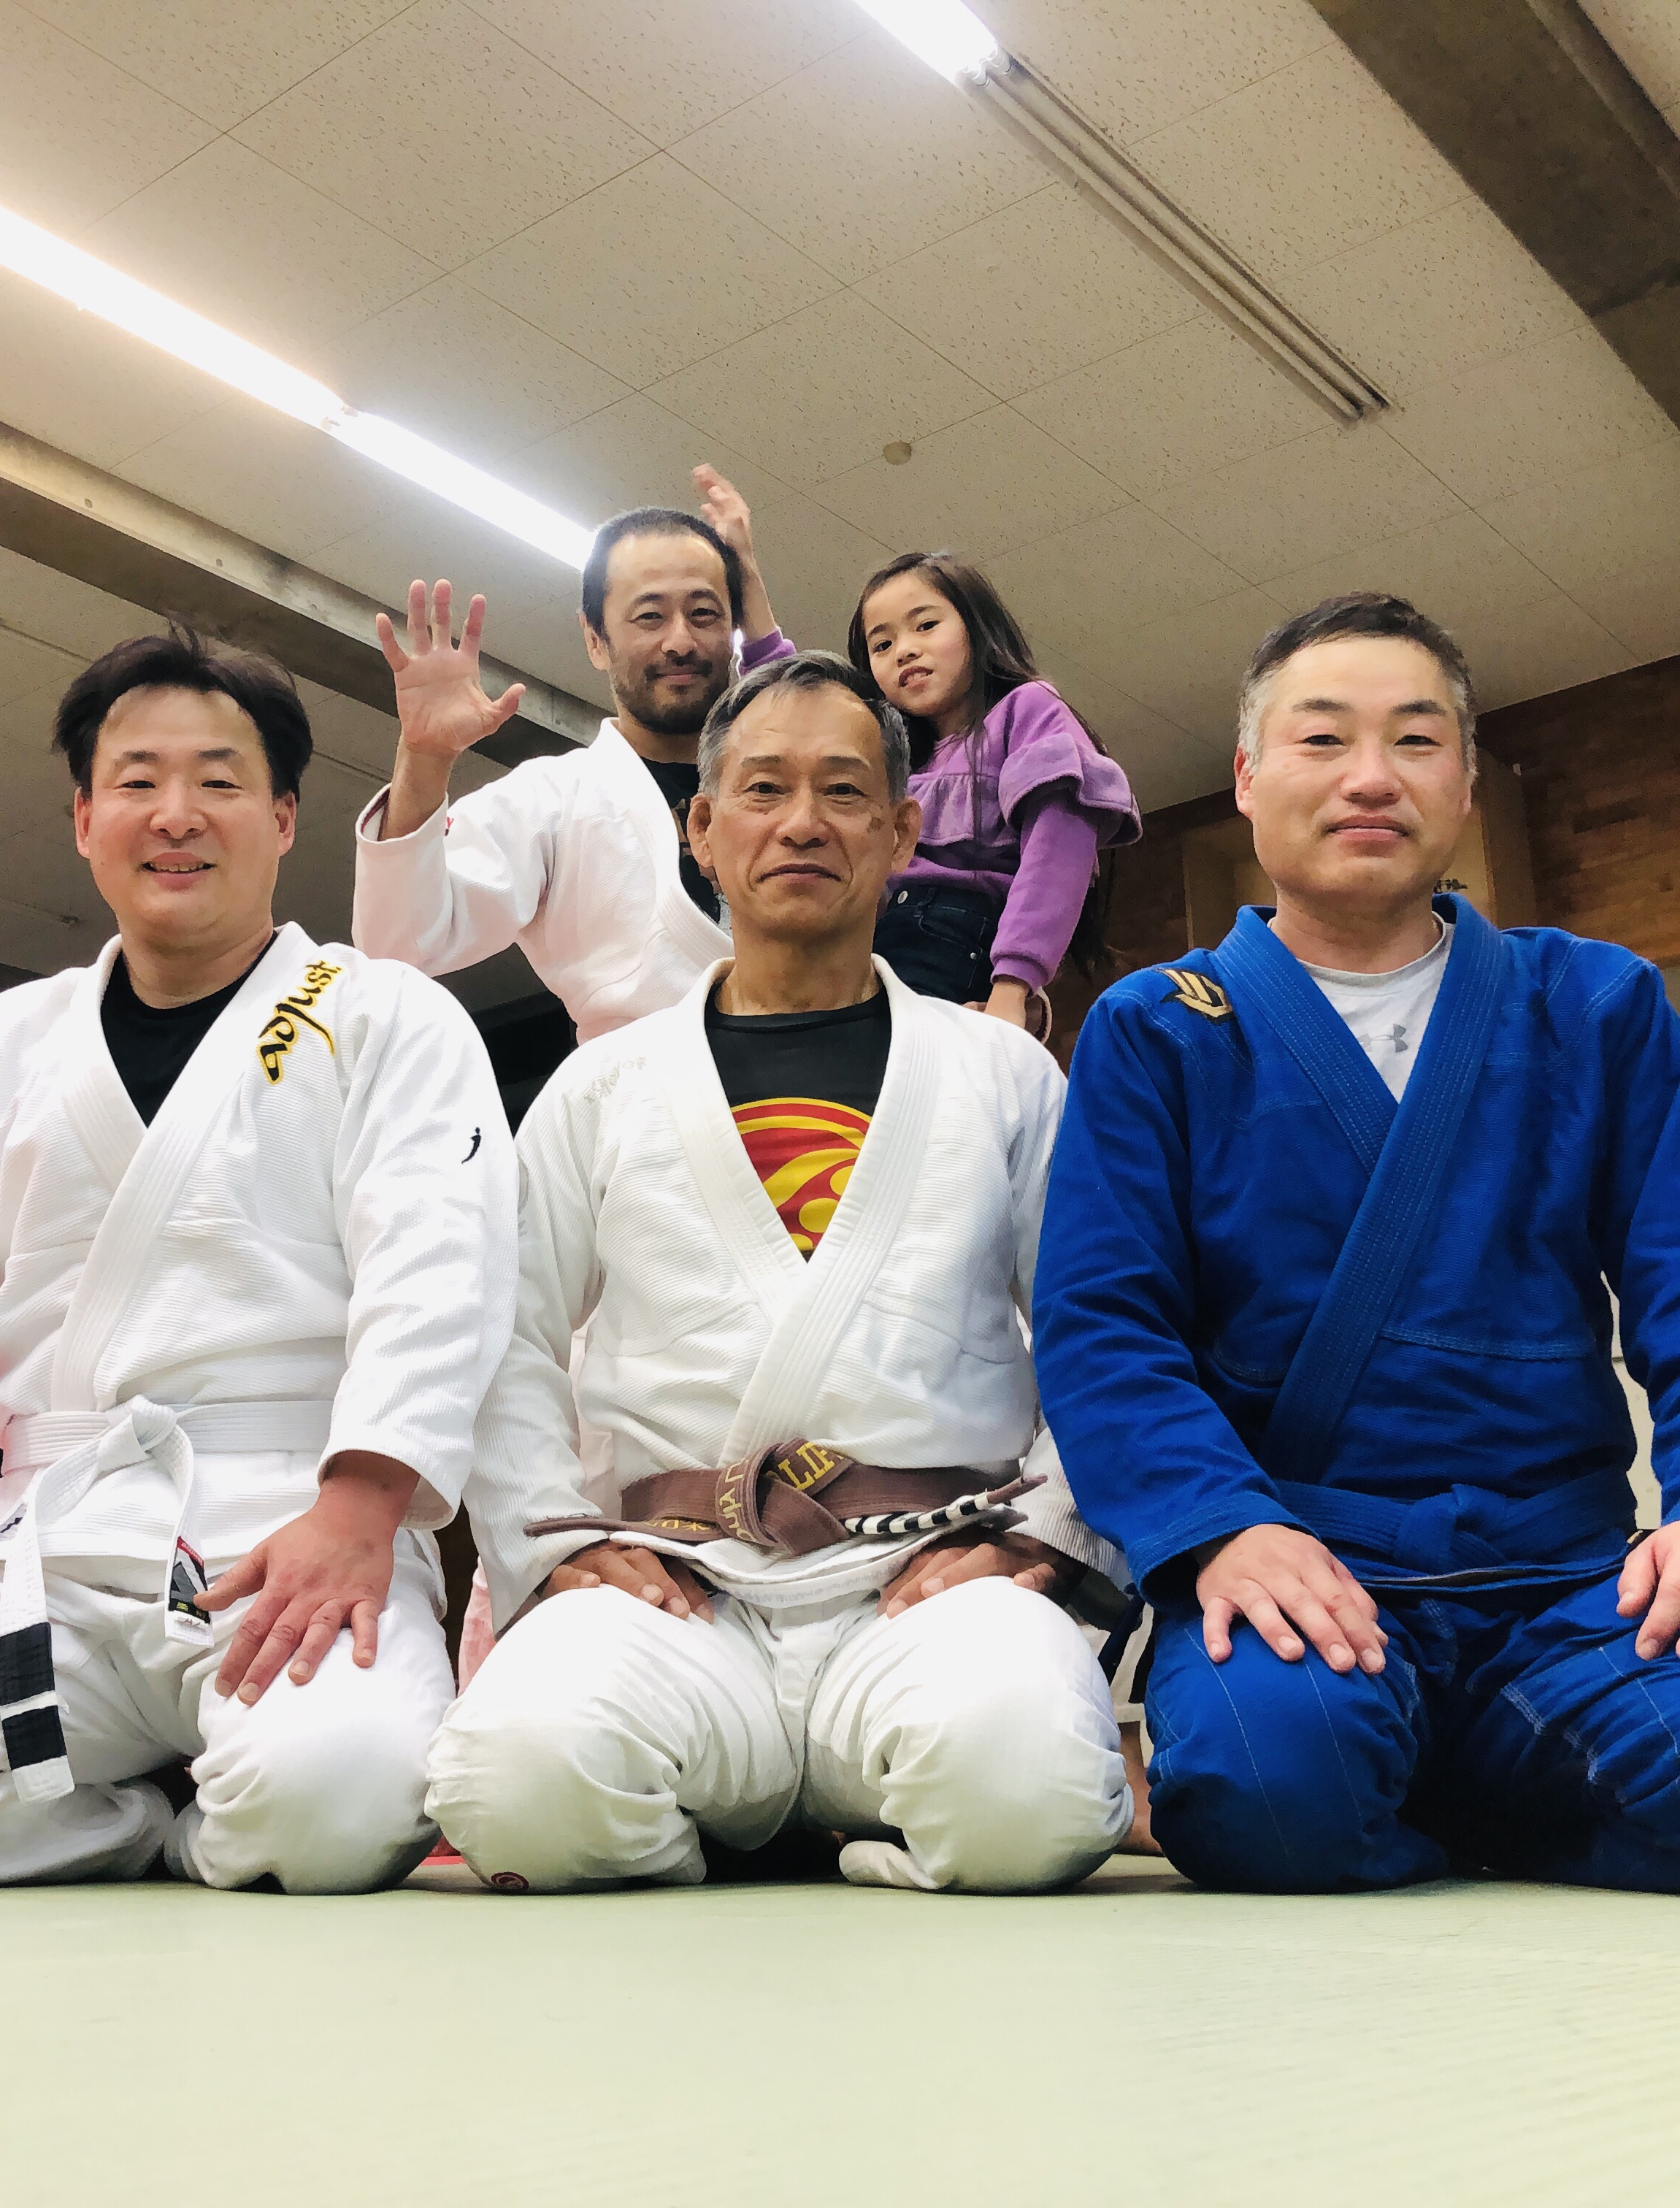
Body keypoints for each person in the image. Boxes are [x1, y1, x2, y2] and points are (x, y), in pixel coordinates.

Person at [1032, 591, 1680, 1899]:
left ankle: (1462, 1793)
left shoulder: (1594, 1002)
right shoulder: (1160, 1026)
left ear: (1462, 782)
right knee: (1267, 1785)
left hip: (1571, 1578)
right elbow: (1105, 1328)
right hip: (1307, 1569)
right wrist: (1221, 1528)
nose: (1369, 777)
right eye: (1322, 739)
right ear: (1247, 780)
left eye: (1414, 739)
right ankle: (1454, 1781)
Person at [0, 626, 515, 1893]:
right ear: (85, 820)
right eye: (137, 781)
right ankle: (138, 1828)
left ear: (285, 818)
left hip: (295, 1524)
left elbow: (441, 1270)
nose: (175, 814)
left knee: (338, 1798)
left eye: (218, 780)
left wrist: (362, 1507)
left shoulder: (381, 1015)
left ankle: (186, 1817)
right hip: (43, 1534)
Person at [426, 651, 1135, 1894]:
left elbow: (1096, 1330)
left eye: (843, 790)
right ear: (701, 829)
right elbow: (508, 1331)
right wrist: (552, 1545)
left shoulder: (1004, 1072)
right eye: (763, 789)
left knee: (1035, 1795)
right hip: (684, 1587)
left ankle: (814, 1830)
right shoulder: (601, 1085)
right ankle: (761, 1831)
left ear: (902, 832)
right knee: (512, 1781)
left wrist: (1044, 1532)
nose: (802, 821)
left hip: (927, 1578)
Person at [352, 468, 796, 1040]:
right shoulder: (551, 799)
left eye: (704, 613)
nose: (680, 641)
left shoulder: (795, 785)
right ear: (594, 639)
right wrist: (425, 757)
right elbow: (399, 946)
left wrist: (749, 576)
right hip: (641, 1083)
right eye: (650, 616)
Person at [849, 552, 1140, 1038]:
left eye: (926, 625)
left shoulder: (1026, 708)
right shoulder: (897, 763)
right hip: (874, 949)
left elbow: (1057, 850)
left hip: (954, 942)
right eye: (882, 644)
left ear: (977, 626)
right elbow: (798, 731)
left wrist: (1012, 988)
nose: (904, 650)